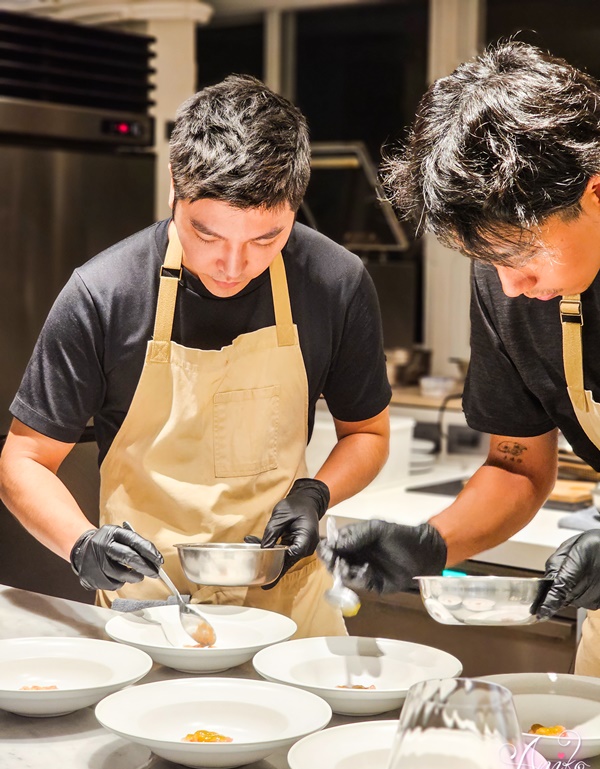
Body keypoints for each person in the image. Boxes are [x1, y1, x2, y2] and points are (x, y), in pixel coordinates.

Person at [0, 75, 391, 639]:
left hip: (288, 608)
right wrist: (80, 542)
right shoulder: (104, 294)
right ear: (174, 193)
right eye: (207, 235)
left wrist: (316, 493)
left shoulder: (335, 282)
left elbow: (368, 434)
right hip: (151, 610)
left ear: (294, 206)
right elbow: (25, 460)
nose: (233, 266)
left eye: (265, 239)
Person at [319, 40, 600, 674]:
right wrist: (434, 541)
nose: (510, 287)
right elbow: (520, 466)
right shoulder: (507, 289)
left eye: (524, 254)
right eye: (489, 262)